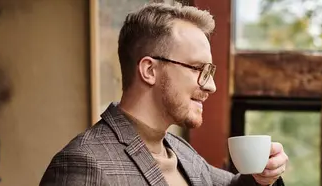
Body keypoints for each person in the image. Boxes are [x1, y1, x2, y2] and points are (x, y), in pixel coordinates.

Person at [40, 2, 288, 186]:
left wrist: (263, 177)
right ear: (149, 70)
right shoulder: (84, 165)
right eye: (198, 69)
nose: (211, 86)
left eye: (210, 71)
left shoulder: (179, 149)